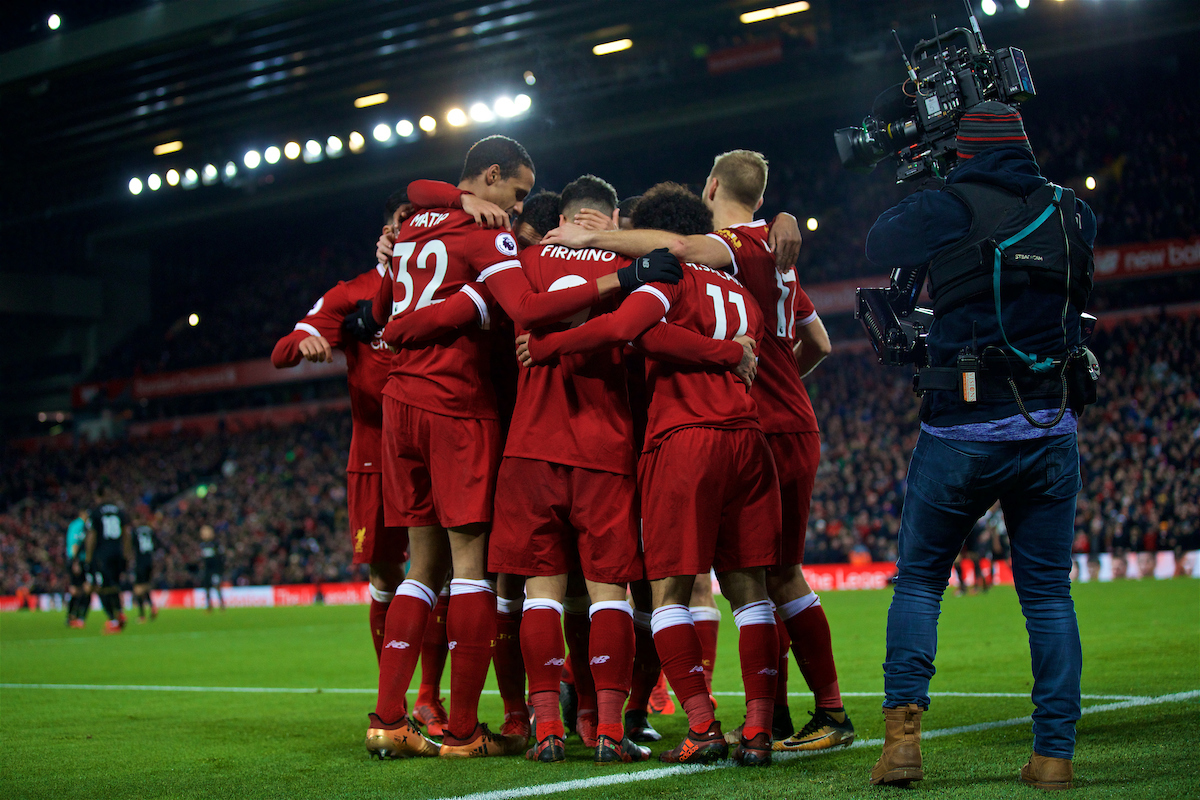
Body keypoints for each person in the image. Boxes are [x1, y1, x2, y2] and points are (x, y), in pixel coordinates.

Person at [354, 135, 684, 761]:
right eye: (516, 193)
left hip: (436, 416)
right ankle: (561, 725)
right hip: (495, 418)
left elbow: (384, 310)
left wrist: (404, 320)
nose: (514, 208)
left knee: (448, 575)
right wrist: (623, 273)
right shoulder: (501, 245)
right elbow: (549, 314)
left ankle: (404, 717)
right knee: (537, 584)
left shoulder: (423, 231)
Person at [545, 149, 850, 753]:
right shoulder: (763, 264)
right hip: (760, 429)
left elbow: (640, 318)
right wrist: (758, 366)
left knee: (687, 587)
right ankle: (769, 722)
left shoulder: (713, 256)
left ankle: (720, 721)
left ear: (713, 187)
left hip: (704, 433)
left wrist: (594, 256)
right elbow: (817, 341)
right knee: (753, 585)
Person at [862, 102, 1096, 790]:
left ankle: (902, 746)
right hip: (1051, 424)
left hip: (961, 428)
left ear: (962, 153)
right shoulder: (1073, 212)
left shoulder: (950, 204)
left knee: (921, 582)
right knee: (1049, 597)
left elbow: (881, 243)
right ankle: (1053, 757)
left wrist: (932, 186)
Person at [521, 182, 782, 767]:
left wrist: (549, 346)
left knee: (666, 592)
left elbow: (630, 330)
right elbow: (748, 356)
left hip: (684, 440)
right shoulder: (747, 298)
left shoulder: (670, 278)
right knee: (749, 594)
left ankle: (702, 725)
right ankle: (759, 731)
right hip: (749, 441)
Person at [272, 192, 413, 667]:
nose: (410, 227)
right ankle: (397, 697)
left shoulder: (451, 287)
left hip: (439, 448)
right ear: (385, 230)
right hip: (375, 452)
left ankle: (433, 700)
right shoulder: (351, 293)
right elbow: (282, 351)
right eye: (402, 219)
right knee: (386, 576)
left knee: (453, 575)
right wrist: (307, 339)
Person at [84, 490, 133, 635]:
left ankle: (113, 620)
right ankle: (120, 613)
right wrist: (127, 555)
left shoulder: (96, 512)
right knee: (115, 585)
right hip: (118, 554)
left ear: (98, 497)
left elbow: (92, 535)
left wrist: (88, 558)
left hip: (102, 555)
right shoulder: (120, 511)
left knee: (101, 587)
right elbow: (126, 534)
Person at [65, 509, 91, 628]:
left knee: (83, 589)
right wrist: (75, 562)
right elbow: (74, 544)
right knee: (81, 589)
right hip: (78, 560)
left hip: (81, 560)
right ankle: (75, 617)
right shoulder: (79, 525)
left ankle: (75, 617)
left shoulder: (79, 525)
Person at [132, 515, 158, 622]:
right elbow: (156, 545)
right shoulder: (150, 531)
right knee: (146, 586)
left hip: (140, 562)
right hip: (150, 561)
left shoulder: (135, 531)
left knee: (138, 589)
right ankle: (152, 607)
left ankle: (141, 615)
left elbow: (131, 547)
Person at [199, 525, 225, 612]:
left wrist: (219, 569)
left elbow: (220, 557)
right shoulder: (202, 545)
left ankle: (221, 605)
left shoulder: (215, 544)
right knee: (207, 588)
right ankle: (209, 606)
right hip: (207, 570)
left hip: (215, 569)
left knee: (217, 586)